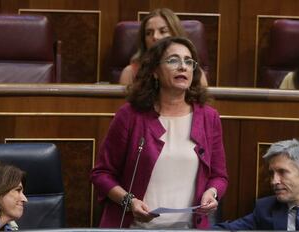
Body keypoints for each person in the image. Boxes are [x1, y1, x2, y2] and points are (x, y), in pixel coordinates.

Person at [91, 36, 228, 229]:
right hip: (136, 227)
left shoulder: (209, 117)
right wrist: (129, 202)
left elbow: (219, 176)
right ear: (155, 71)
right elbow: (101, 174)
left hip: (189, 228)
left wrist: (212, 193)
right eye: (173, 60)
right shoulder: (130, 115)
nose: (183, 67)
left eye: (189, 61)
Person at [119, 8, 208, 86]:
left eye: (163, 31)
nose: (155, 37)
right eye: (148, 33)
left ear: (175, 34)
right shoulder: (130, 73)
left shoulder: (194, 72)